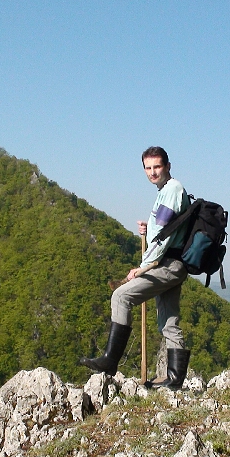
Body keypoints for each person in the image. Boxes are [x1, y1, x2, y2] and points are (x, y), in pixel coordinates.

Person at [80, 146, 191, 388]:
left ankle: (110, 360)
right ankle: (174, 380)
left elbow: (162, 235)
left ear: (168, 166)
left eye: (157, 167)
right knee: (168, 322)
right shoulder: (165, 191)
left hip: (166, 264)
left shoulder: (172, 189)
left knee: (121, 296)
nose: (152, 172)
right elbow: (165, 228)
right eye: (148, 168)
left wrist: (142, 269)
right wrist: (147, 229)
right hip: (173, 263)